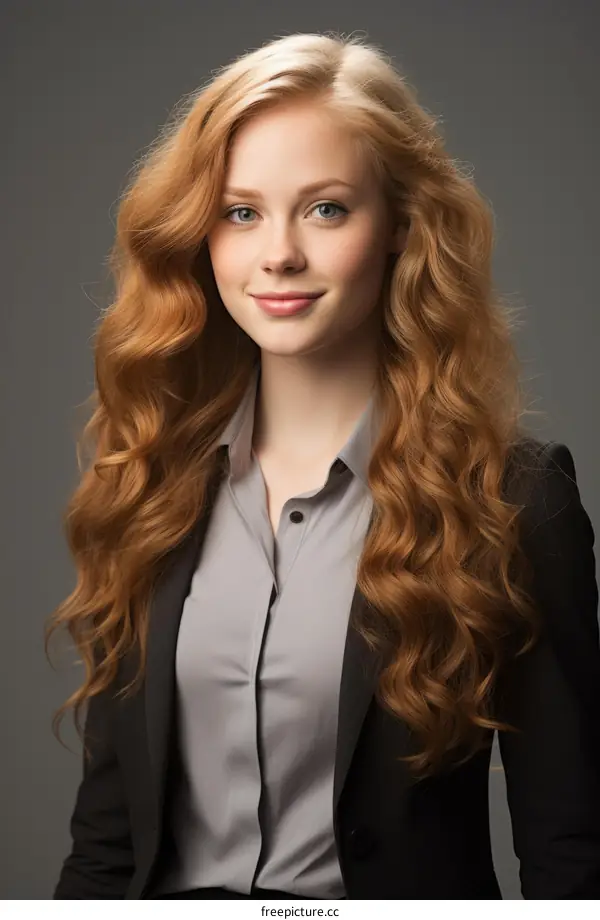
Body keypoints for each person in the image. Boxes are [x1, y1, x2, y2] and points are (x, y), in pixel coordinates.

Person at [46, 32, 600, 900]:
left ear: (402, 229)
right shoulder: (147, 489)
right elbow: (104, 853)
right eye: (241, 213)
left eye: (326, 208)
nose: (278, 255)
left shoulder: (514, 502)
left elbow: (571, 853)